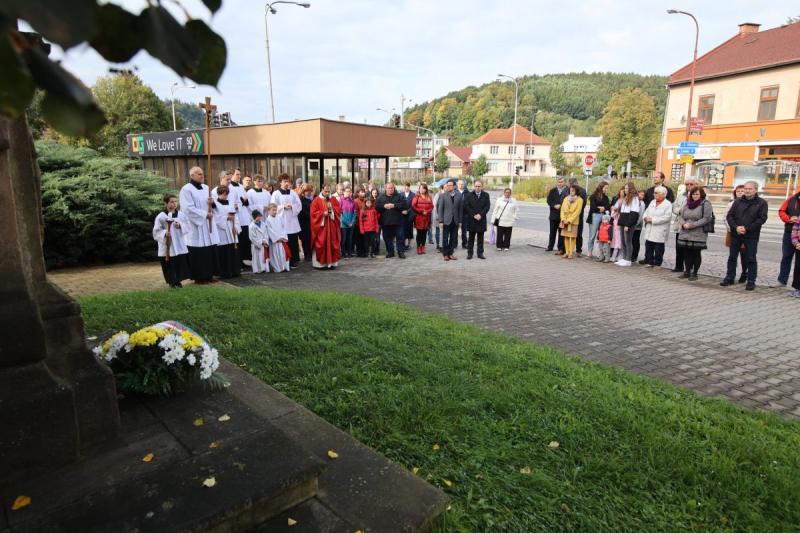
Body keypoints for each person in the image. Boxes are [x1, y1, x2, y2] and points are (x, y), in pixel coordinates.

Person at [721, 181, 768, 290]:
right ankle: (729, 277)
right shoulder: (737, 201)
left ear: (755, 190)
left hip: (751, 235)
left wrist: (747, 228)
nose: (747, 191)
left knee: (751, 258)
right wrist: (736, 227)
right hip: (736, 234)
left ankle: (751, 281)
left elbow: (762, 219)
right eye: (746, 188)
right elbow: (730, 216)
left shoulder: (762, 203)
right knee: (732, 257)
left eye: (750, 189)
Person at [179, 166, 218, 284]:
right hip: (196, 226)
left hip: (208, 224)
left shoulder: (207, 188)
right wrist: (205, 215)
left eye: (202, 173)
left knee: (209, 251)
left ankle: (209, 275)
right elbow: (187, 209)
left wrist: (212, 203)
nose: (202, 176)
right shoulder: (186, 189)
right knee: (198, 252)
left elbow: (214, 205)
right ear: (192, 175)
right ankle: (199, 277)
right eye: (199, 174)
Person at [153, 193, 191, 288]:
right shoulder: (161, 216)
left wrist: (180, 226)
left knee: (179, 263)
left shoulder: (181, 215)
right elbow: (156, 231)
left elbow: (188, 226)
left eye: (175, 201)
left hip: (179, 243)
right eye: (171, 202)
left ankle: (178, 281)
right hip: (168, 245)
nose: (174, 204)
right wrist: (164, 233)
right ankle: (172, 282)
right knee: (169, 264)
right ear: (166, 203)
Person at [677, 186, 713, 280]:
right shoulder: (687, 203)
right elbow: (680, 216)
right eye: (693, 194)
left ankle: (695, 273)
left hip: (698, 232)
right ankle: (687, 272)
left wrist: (692, 225)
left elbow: (706, 218)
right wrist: (683, 224)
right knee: (687, 253)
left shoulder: (705, 203)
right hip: (686, 231)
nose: (695, 196)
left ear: (701, 194)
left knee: (696, 253)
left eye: (697, 194)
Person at [271, 173, 302, 268]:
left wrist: (292, 206)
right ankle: (285, 261)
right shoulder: (276, 193)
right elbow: (272, 206)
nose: (287, 183)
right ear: (280, 182)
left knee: (293, 241)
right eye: (284, 181)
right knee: (285, 241)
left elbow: (299, 205)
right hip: (282, 221)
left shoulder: (293, 193)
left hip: (292, 221)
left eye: (288, 181)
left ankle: (294, 260)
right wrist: (282, 207)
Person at [310, 184, 342, 269]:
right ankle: (320, 264)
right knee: (322, 243)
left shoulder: (333, 199)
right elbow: (313, 214)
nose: (327, 193)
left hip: (332, 226)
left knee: (332, 243)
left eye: (328, 191)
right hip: (321, 228)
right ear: (322, 190)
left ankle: (332, 263)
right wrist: (322, 214)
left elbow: (338, 210)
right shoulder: (316, 200)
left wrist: (332, 211)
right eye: (325, 191)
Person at [670, 177, 698, 272]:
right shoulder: (681, 195)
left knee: (690, 249)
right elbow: (674, 207)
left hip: (692, 226)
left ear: (696, 185)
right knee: (679, 247)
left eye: (691, 184)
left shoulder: (700, 195)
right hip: (680, 225)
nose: (689, 186)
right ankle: (678, 266)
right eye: (687, 184)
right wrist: (679, 210)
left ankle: (689, 268)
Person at [213, 185, 241, 279]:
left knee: (233, 251)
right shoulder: (215, 204)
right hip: (222, 231)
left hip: (232, 229)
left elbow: (236, 216)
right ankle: (225, 272)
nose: (225, 196)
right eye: (223, 194)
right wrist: (226, 218)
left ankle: (234, 271)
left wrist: (236, 227)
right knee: (224, 252)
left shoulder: (231, 203)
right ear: (219, 193)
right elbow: (215, 217)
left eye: (226, 194)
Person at [641, 186, 673, 268]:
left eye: (656, 193)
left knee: (658, 248)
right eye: (654, 193)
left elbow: (667, 217)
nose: (654, 194)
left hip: (660, 229)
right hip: (650, 228)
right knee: (649, 246)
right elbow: (646, 211)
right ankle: (649, 261)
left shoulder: (668, 204)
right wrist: (645, 218)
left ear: (663, 194)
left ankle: (657, 263)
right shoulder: (652, 202)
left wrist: (653, 220)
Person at [723, 185, 748, 283]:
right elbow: (726, 217)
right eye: (738, 191)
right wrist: (732, 229)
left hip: (745, 233)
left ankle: (744, 272)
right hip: (732, 232)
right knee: (732, 255)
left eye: (742, 191)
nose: (740, 193)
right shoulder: (731, 204)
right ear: (735, 193)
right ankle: (730, 276)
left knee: (744, 255)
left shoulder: (748, 203)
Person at [613, 182, 642, 267]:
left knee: (627, 241)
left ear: (630, 189)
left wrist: (628, 225)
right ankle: (624, 258)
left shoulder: (635, 198)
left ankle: (628, 259)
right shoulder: (626, 198)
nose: (625, 190)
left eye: (626, 188)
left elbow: (634, 213)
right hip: (623, 221)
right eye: (625, 188)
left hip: (628, 223)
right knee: (622, 241)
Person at [377, 182, 408, 259]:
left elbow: (404, 205)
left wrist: (394, 205)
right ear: (386, 188)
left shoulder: (399, 196)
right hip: (386, 222)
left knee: (400, 237)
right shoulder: (381, 197)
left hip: (398, 222)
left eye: (392, 188)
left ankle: (400, 252)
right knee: (387, 238)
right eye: (389, 188)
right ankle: (390, 252)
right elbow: (376, 206)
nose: (390, 189)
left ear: (394, 188)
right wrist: (384, 206)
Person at [229, 167, 252, 269]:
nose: (239, 176)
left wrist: (245, 201)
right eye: (237, 174)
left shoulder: (241, 186)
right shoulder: (229, 187)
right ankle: (237, 262)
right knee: (238, 241)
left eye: (239, 174)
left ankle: (243, 260)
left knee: (245, 240)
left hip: (244, 217)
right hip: (236, 217)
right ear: (231, 175)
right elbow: (231, 203)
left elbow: (246, 200)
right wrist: (241, 202)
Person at [777, 188, 800, 287]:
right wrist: (789, 219)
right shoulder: (791, 199)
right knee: (786, 256)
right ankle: (782, 280)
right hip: (789, 232)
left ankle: (797, 285)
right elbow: (781, 211)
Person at [436, 179, 464, 261]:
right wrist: (441, 221)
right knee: (445, 238)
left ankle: (450, 253)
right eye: (448, 185)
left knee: (453, 238)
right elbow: (439, 209)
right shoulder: (443, 195)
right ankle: (445, 254)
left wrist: (460, 221)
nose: (448, 187)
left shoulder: (459, 196)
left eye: (450, 185)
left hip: (455, 220)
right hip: (446, 221)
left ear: (454, 186)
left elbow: (460, 210)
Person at [465, 179, 490, 260]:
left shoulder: (486, 195)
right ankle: (470, 253)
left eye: (479, 186)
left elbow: (487, 206)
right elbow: (467, 206)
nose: (477, 188)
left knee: (480, 238)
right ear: (474, 186)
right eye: (476, 186)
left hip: (481, 220)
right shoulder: (469, 195)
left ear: (482, 186)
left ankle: (480, 253)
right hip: (472, 220)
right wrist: (474, 215)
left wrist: (480, 215)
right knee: (471, 238)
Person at [586, 181, 610, 258]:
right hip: (594, 216)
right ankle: (590, 251)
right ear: (601, 187)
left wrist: (603, 208)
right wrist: (601, 208)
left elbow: (608, 206)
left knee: (602, 235)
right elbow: (593, 207)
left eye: (607, 188)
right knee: (592, 235)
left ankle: (601, 253)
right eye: (605, 188)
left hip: (603, 217)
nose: (606, 189)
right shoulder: (593, 196)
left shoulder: (605, 197)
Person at [559, 184, 584, 259]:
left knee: (572, 237)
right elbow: (562, 210)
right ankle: (566, 253)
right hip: (565, 221)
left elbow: (578, 212)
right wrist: (563, 219)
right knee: (566, 236)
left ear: (576, 191)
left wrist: (570, 220)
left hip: (573, 222)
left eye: (573, 190)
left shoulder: (580, 200)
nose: (571, 192)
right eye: (570, 190)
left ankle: (571, 253)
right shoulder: (566, 198)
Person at [266, 203, 291, 273]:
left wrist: (282, 237)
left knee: (283, 254)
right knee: (275, 255)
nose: (275, 212)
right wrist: (277, 238)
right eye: (273, 210)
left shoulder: (279, 218)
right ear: (269, 211)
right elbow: (269, 231)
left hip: (281, 241)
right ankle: (278, 268)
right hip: (275, 242)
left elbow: (283, 228)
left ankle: (284, 267)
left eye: (275, 210)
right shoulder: (268, 220)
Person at [546, 176, 568, 253]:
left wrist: (561, 206)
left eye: (562, 182)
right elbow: (549, 200)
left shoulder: (567, 190)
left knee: (561, 233)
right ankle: (550, 246)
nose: (560, 183)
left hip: (563, 216)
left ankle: (560, 248)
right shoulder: (553, 190)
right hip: (553, 215)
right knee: (552, 232)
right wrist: (554, 205)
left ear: (564, 182)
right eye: (559, 182)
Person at [411, 183, 434, 254]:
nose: (422, 190)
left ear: (426, 189)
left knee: (424, 234)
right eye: (420, 188)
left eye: (423, 188)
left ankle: (423, 247)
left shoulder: (429, 197)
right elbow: (413, 206)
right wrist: (421, 211)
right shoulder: (416, 197)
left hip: (427, 218)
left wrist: (427, 211)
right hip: (419, 218)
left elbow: (432, 206)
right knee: (419, 233)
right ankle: (418, 247)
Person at [568, 177, 588, 255]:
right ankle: (569, 250)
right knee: (568, 233)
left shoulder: (582, 191)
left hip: (579, 215)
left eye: (571, 184)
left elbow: (583, 204)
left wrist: (576, 210)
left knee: (578, 233)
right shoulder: (568, 189)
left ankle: (578, 250)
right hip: (569, 215)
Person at [299, 184, 315, 262]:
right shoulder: (301, 200)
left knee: (311, 239)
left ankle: (311, 254)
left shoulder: (313, 199)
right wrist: (313, 215)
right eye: (306, 191)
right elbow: (303, 212)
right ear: (304, 192)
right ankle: (307, 255)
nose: (308, 192)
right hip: (304, 223)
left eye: (310, 191)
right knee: (305, 239)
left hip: (312, 223)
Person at [339, 187, 356, 258]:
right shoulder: (341, 200)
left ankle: (349, 252)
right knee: (343, 239)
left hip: (351, 224)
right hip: (343, 224)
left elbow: (354, 213)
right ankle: (343, 253)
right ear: (344, 192)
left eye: (349, 191)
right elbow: (340, 214)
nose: (348, 193)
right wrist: (347, 223)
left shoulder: (352, 201)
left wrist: (352, 222)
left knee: (350, 239)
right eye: (347, 191)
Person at [631, 189, 647, 263]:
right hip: (632, 224)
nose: (641, 196)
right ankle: (631, 254)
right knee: (631, 240)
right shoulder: (635, 202)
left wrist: (636, 223)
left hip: (637, 226)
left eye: (642, 195)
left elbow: (641, 216)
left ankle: (634, 256)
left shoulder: (642, 204)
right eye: (640, 194)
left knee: (636, 241)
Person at [610, 189, 624, 262]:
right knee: (615, 240)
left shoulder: (623, 211)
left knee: (619, 241)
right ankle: (614, 256)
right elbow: (612, 215)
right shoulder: (617, 201)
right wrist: (614, 210)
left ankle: (617, 256)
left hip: (620, 226)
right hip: (615, 226)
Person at [401, 182, 416, 249]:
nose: (406, 188)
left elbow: (413, 205)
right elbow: (399, 204)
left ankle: (408, 245)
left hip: (410, 215)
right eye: (404, 186)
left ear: (409, 187)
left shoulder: (413, 195)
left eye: (407, 186)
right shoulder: (400, 194)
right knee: (403, 230)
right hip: (402, 215)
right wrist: (402, 210)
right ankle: (403, 244)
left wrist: (408, 211)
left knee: (409, 230)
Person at [353, 188, 368, 257]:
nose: (363, 193)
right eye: (361, 192)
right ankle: (359, 252)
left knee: (364, 238)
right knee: (358, 238)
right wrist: (360, 218)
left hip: (365, 223)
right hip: (358, 223)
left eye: (364, 192)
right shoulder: (355, 201)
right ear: (358, 193)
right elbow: (355, 212)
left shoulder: (366, 200)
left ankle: (364, 251)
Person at [456, 178, 470, 248]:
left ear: (464, 185)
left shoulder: (468, 193)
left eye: (462, 184)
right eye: (459, 184)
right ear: (457, 185)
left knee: (464, 231)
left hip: (465, 214)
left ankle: (464, 243)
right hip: (456, 214)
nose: (461, 185)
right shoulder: (454, 192)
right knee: (455, 231)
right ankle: (454, 244)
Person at [370, 188, 382, 255]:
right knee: (372, 237)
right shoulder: (369, 201)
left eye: (376, 193)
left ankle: (377, 250)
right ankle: (373, 250)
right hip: (371, 222)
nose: (374, 194)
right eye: (373, 193)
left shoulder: (379, 201)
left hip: (378, 221)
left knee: (377, 237)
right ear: (371, 193)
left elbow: (380, 211)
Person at [790, 220, 800, 298]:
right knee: (798, 267)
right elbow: (795, 229)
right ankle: (797, 288)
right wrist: (796, 243)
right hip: (799, 245)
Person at [432, 187, 442, 252]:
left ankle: (442, 245)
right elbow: (434, 205)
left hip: (443, 216)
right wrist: (438, 215)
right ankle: (438, 245)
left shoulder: (446, 195)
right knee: (438, 231)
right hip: (437, 215)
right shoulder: (438, 195)